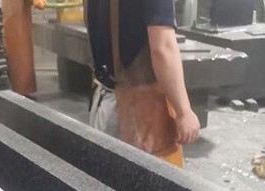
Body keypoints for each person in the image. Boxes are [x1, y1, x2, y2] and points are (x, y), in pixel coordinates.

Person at [86, 0, 200, 165]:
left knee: (104, 174)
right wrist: (184, 112)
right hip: (133, 116)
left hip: (103, 100)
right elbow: (162, 48)